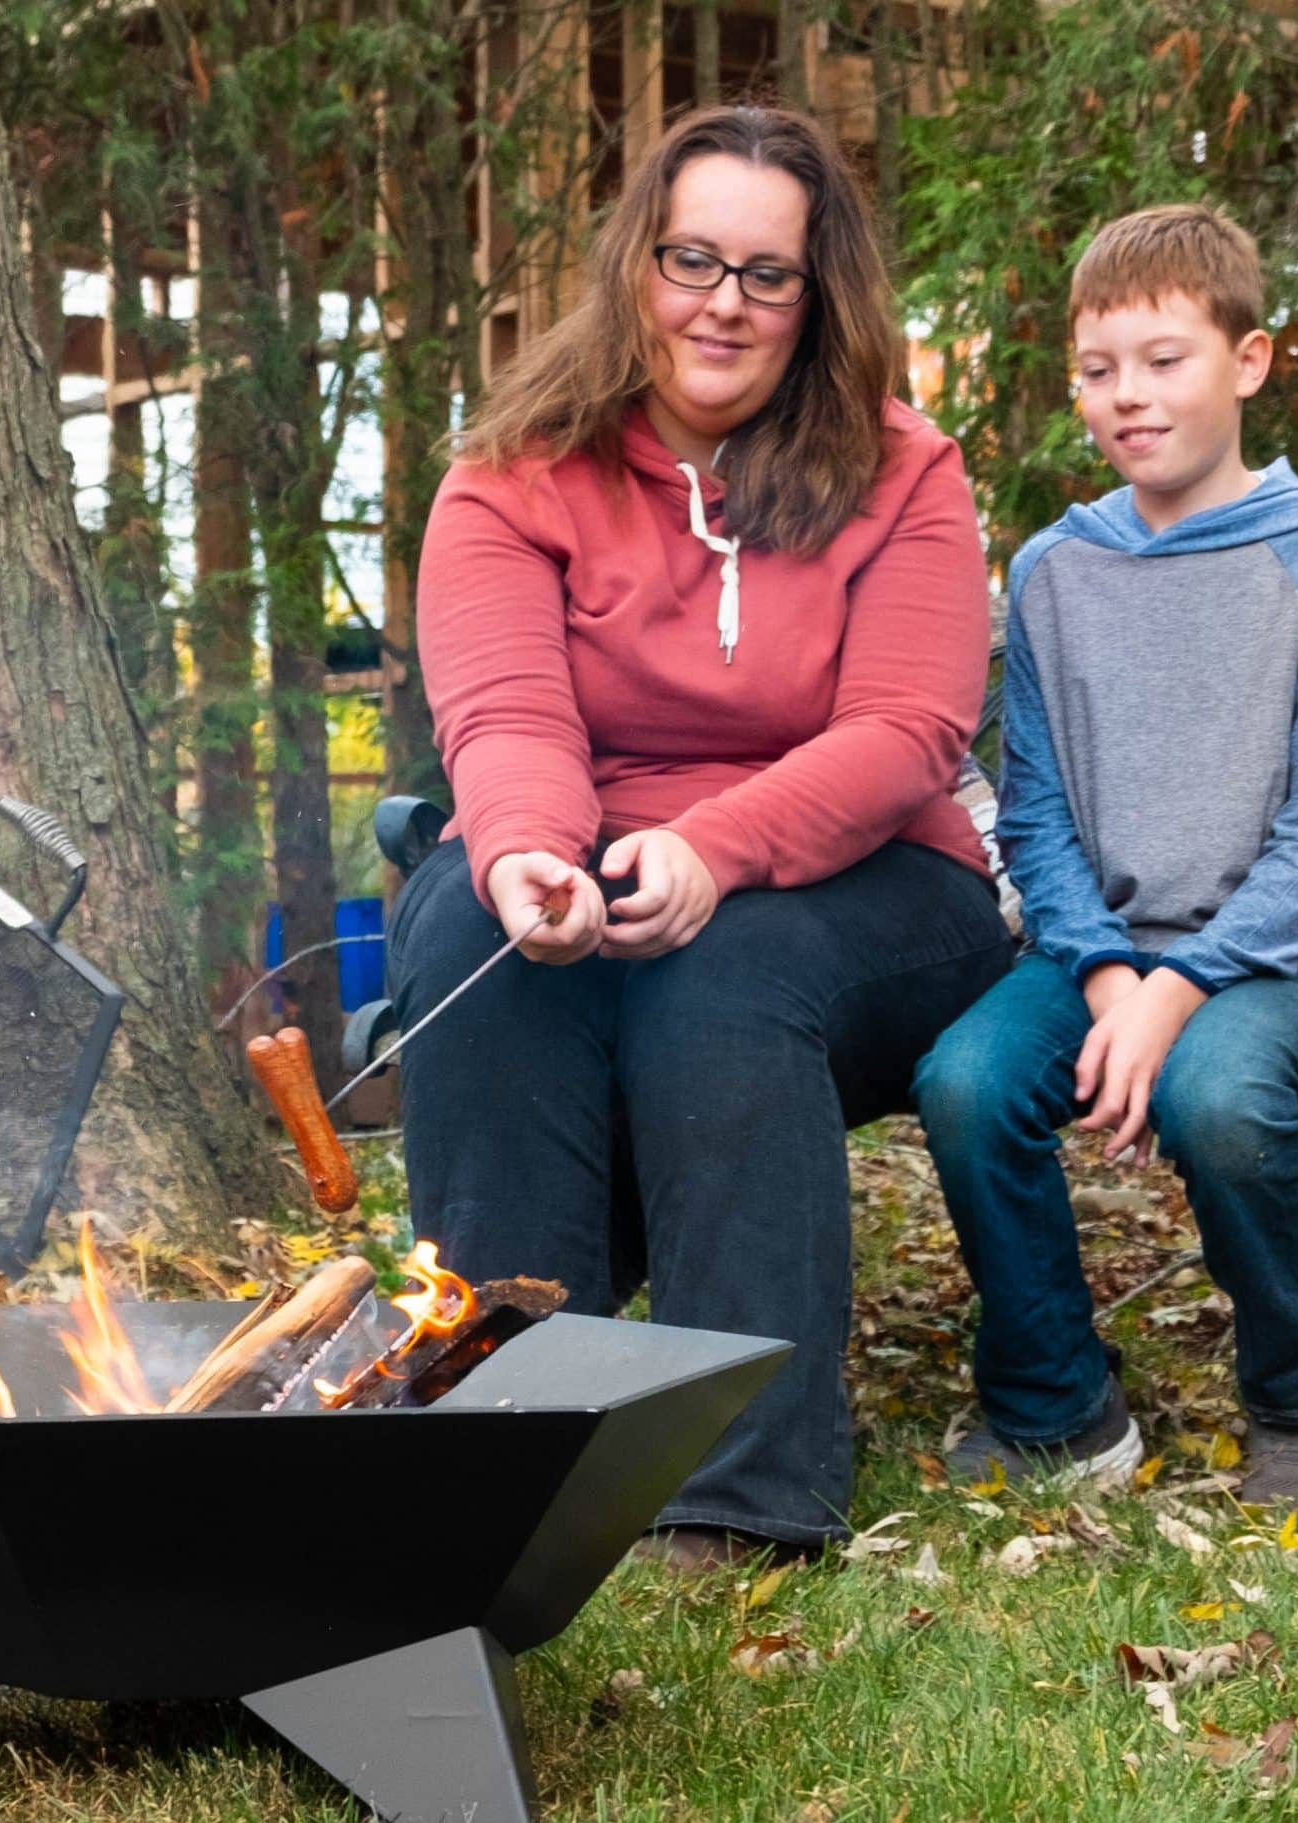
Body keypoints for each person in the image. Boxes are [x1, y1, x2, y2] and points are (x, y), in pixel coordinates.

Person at [392, 103, 1011, 1564]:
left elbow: (907, 731)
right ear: (634, 267)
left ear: (817, 296)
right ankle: (510, 1433)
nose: (723, 302)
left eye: (768, 272)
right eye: (692, 259)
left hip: (879, 885)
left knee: (720, 979)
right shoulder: (512, 470)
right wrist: (531, 853)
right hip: (602, 857)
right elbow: (503, 717)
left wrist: (717, 849)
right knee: (468, 927)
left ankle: (748, 1489)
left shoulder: (903, 470)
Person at [912, 204, 1298, 1509]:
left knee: (1216, 1100)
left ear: (1249, 361)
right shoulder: (1059, 572)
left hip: (1279, 965)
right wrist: (1113, 976)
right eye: (1098, 369)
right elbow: (1040, 815)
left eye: (1164, 359)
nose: (1128, 396)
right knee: (964, 1083)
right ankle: (1059, 1406)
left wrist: (1177, 996)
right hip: (1097, 955)